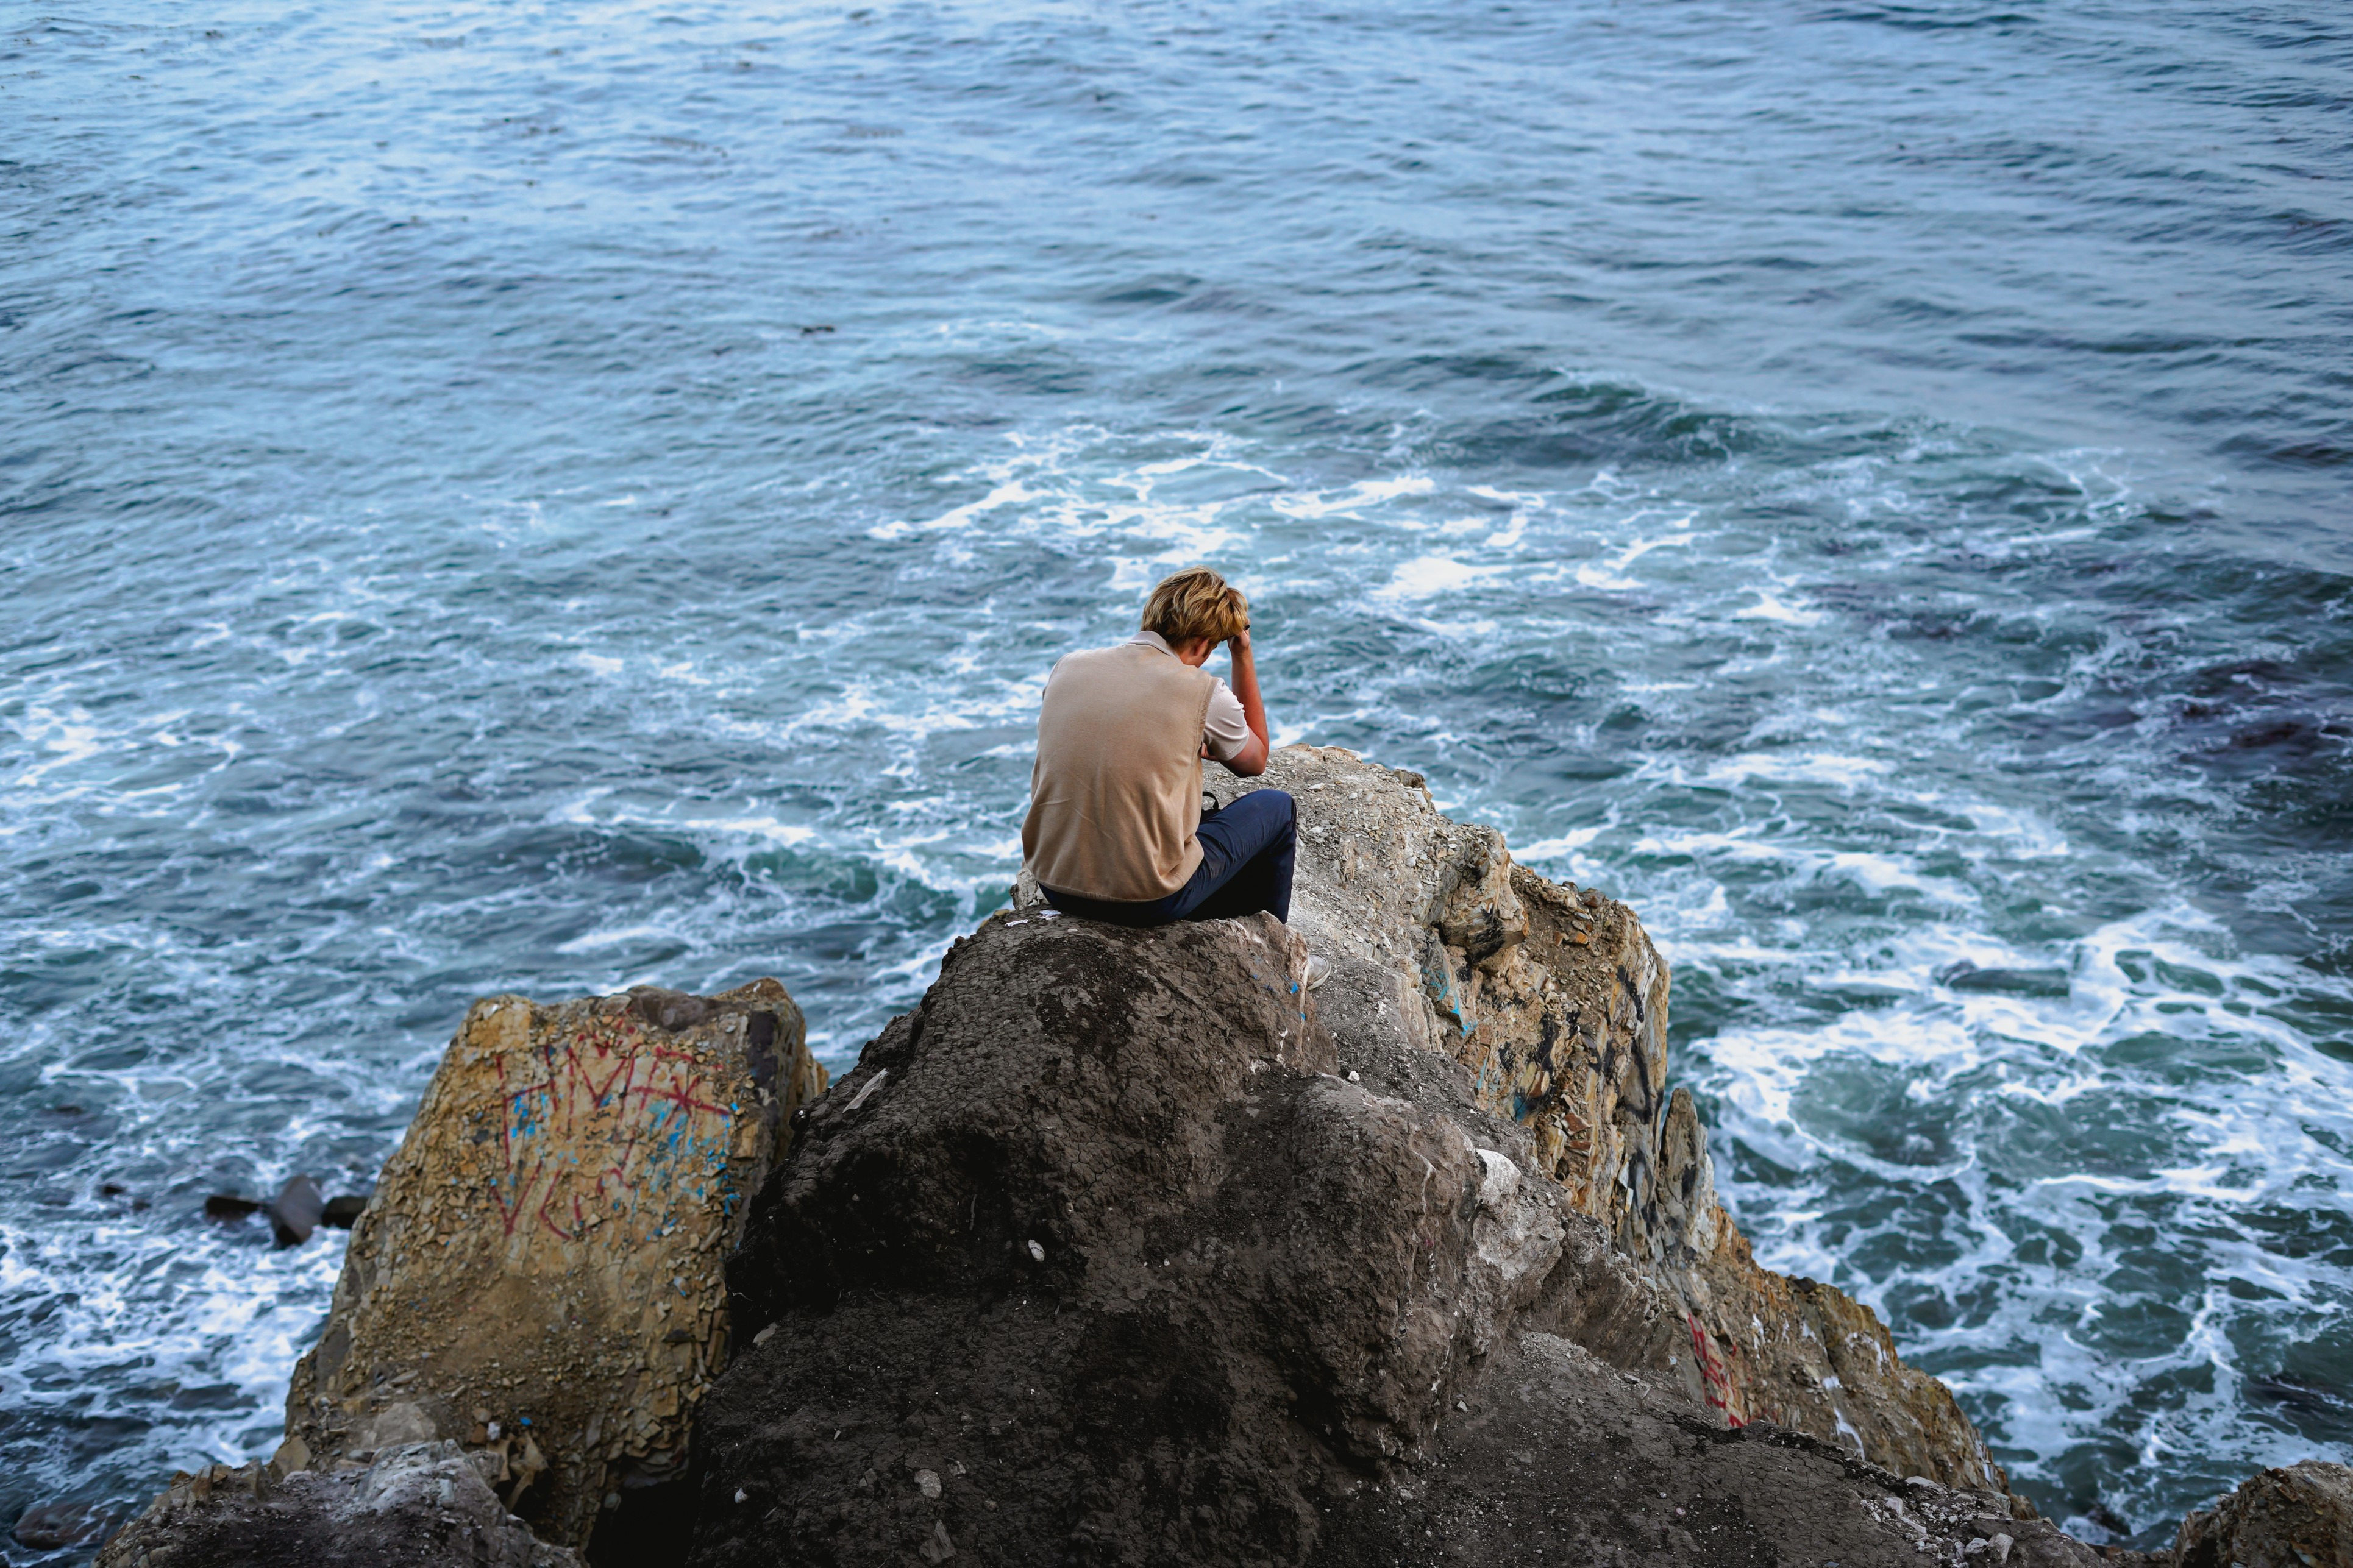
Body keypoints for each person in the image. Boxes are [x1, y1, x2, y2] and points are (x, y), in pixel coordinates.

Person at [1021, 566, 1305, 934]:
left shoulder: (1068, 666)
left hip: (1056, 883)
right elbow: (1255, 760)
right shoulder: (1203, 691)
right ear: (1204, 643)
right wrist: (1242, 655)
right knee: (1277, 807)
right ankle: (1273, 946)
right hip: (1149, 899)